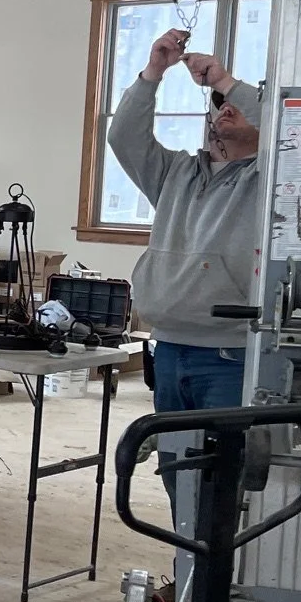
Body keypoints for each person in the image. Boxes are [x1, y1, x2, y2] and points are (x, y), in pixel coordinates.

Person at [108, 28, 264, 414]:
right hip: (169, 346)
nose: (226, 106)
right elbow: (123, 137)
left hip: (231, 353)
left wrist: (224, 80)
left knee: (226, 463)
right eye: (220, 102)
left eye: (238, 103)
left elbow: (293, 133)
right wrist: (153, 72)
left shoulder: (269, 179)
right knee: (177, 461)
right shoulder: (176, 172)